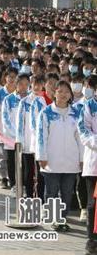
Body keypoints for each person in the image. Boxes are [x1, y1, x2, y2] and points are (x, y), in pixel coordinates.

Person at [36, 80, 83, 232]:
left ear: (70, 95)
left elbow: (80, 139)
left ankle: (61, 218)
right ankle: (53, 217)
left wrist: (82, 159)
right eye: (60, 91)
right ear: (54, 92)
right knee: (51, 191)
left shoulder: (76, 113)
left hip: (71, 161)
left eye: (66, 92)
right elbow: (41, 136)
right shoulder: (46, 113)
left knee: (67, 192)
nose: (63, 94)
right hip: (51, 160)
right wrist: (41, 156)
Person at [77, 75, 97, 253]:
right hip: (94, 162)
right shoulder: (89, 105)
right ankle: (91, 240)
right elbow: (83, 131)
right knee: (93, 203)